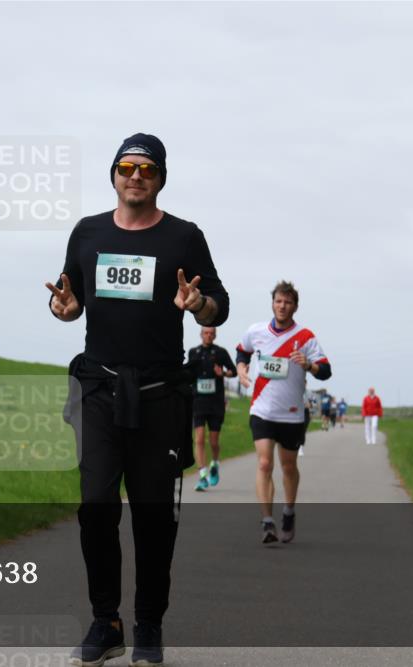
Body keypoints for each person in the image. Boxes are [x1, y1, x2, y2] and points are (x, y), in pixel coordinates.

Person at [47, 133, 229, 666]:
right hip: (99, 390)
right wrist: (64, 309)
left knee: (153, 517)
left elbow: (217, 304)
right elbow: (71, 298)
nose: (135, 175)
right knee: (96, 505)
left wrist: (200, 306)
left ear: (160, 178)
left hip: (158, 394)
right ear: (114, 174)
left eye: (146, 169)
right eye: (126, 166)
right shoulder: (87, 232)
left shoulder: (184, 237)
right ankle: (106, 620)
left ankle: (148, 623)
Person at [237, 281, 331, 545]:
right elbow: (241, 351)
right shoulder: (256, 331)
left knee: (288, 467)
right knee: (264, 463)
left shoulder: (306, 337)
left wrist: (310, 365)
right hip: (262, 410)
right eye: (278, 301)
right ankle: (267, 522)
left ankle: (288, 512)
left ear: (295, 306)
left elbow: (326, 370)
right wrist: (242, 368)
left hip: (291, 414)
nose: (282, 306)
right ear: (272, 303)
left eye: (287, 302)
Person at [187, 326, 237, 491]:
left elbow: (233, 371)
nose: (208, 336)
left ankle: (215, 463)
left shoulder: (221, 352)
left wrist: (222, 373)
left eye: (211, 334)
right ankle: (202, 474)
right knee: (199, 439)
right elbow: (189, 373)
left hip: (215, 402)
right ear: (201, 334)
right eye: (206, 333)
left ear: (215, 336)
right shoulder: (193, 352)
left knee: (214, 441)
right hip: (199, 401)